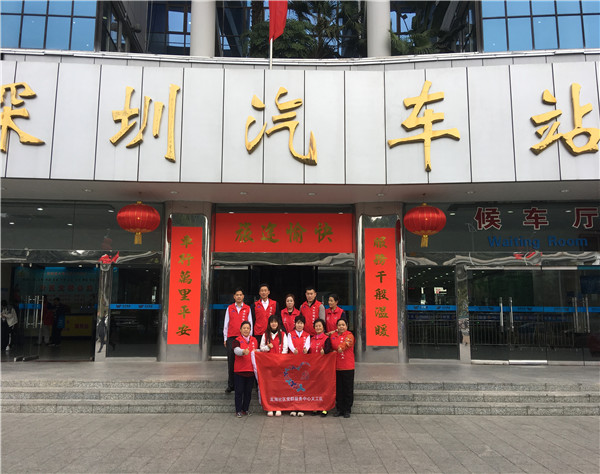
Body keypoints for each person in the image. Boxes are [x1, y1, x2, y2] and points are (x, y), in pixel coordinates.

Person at [223, 288, 253, 393]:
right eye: (237, 295)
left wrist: (250, 338)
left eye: (240, 295)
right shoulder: (230, 308)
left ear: (243, 296)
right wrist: (225, 338)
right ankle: (231, 385)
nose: (239, 296)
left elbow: (250, 323)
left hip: (244, 338)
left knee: (244, 360)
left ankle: (243, 384)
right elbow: (226, 324)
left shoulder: (247, 308)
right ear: (234, 296)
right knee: (231, 361)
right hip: (232, 338)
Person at [259, 315, 288, 417]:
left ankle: (279, 407)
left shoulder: (283, 334)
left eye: (275, 322)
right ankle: (270, 407)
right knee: (270, 386)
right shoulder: (265, 335)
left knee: (279, 386)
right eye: (272, 322)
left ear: (278, 323)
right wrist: (268, 347)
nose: (274, 324)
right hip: (269, 365)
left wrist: (280, 360)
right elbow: (261, 348)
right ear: (269, 324)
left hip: (280, 364)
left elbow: (285, 348)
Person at [329, 318, 355, 418]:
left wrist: (341, 347)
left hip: (348, 366)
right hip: (336, 366)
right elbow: (330, 346)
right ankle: (339, 409)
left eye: (343, 325)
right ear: (337, 327)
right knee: (338, 389)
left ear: (346, 326)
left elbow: (347, 343)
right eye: (339, 325)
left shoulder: (349, 335)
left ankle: (347, 409)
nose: (341, 327)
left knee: (348, 389)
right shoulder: (333, 336)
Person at [232, 320, 258, 417]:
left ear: (250, 330)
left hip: (251, 371)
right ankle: (238, 410)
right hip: (240, 371)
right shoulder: (236, 340)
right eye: (244, 328)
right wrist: (243, 352)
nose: (246, 330)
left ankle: (245, 409)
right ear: (240, 330)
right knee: (239, 392)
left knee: (248, 392)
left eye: (248, 328)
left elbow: (257, 352)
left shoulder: (254, 340)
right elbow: (236, 350)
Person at [287, 314, 310, 417]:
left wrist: (306, 350)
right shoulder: (290, 334)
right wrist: (293, 350)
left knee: (302, 385)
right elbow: (290, 345)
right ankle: (293, 407)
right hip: (293, 363)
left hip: (303, 364)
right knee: (293, 385)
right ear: (295, 324)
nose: (299, 325)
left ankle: (301, 407)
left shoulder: (307, 335)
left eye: (301, 323)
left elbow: (307, 345)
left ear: (304, 324)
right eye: (298, 323)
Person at [309, 318, 332, 417]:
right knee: (315, 388)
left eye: (320, 326)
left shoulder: (326, 338)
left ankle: (324, 408)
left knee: (323, 388)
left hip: (323, 368)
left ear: (323, 327)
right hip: (313, 367)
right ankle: (315, 407)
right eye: (316, 326)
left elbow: (329, 349)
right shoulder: (311, 339)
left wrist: (325, 352)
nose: (318, 328)